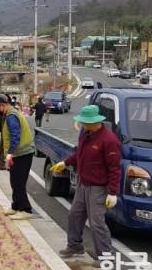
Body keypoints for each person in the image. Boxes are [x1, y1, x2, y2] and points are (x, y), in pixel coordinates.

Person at [50, 105, 121, 261]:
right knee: (74, 214)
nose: (82, 125)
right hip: (83, 183)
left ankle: (106, 256)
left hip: (98, 187)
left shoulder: (109, 140)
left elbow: (114, 168)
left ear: (95, 122)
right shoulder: (86, 134)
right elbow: (79, 155)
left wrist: (112, 192)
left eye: (85, 122)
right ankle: (75, 245)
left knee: (96, 223)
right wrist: (66, 163)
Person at [0, 94, 36, 220]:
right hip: (19, 153)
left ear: (2, 105)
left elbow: (15, 136)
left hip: (22, 153)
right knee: (14, 181)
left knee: (19, 182)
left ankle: (25, 209)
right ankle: (16, 206)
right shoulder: (8, 114)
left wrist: (10, 153)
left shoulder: (11, 116)